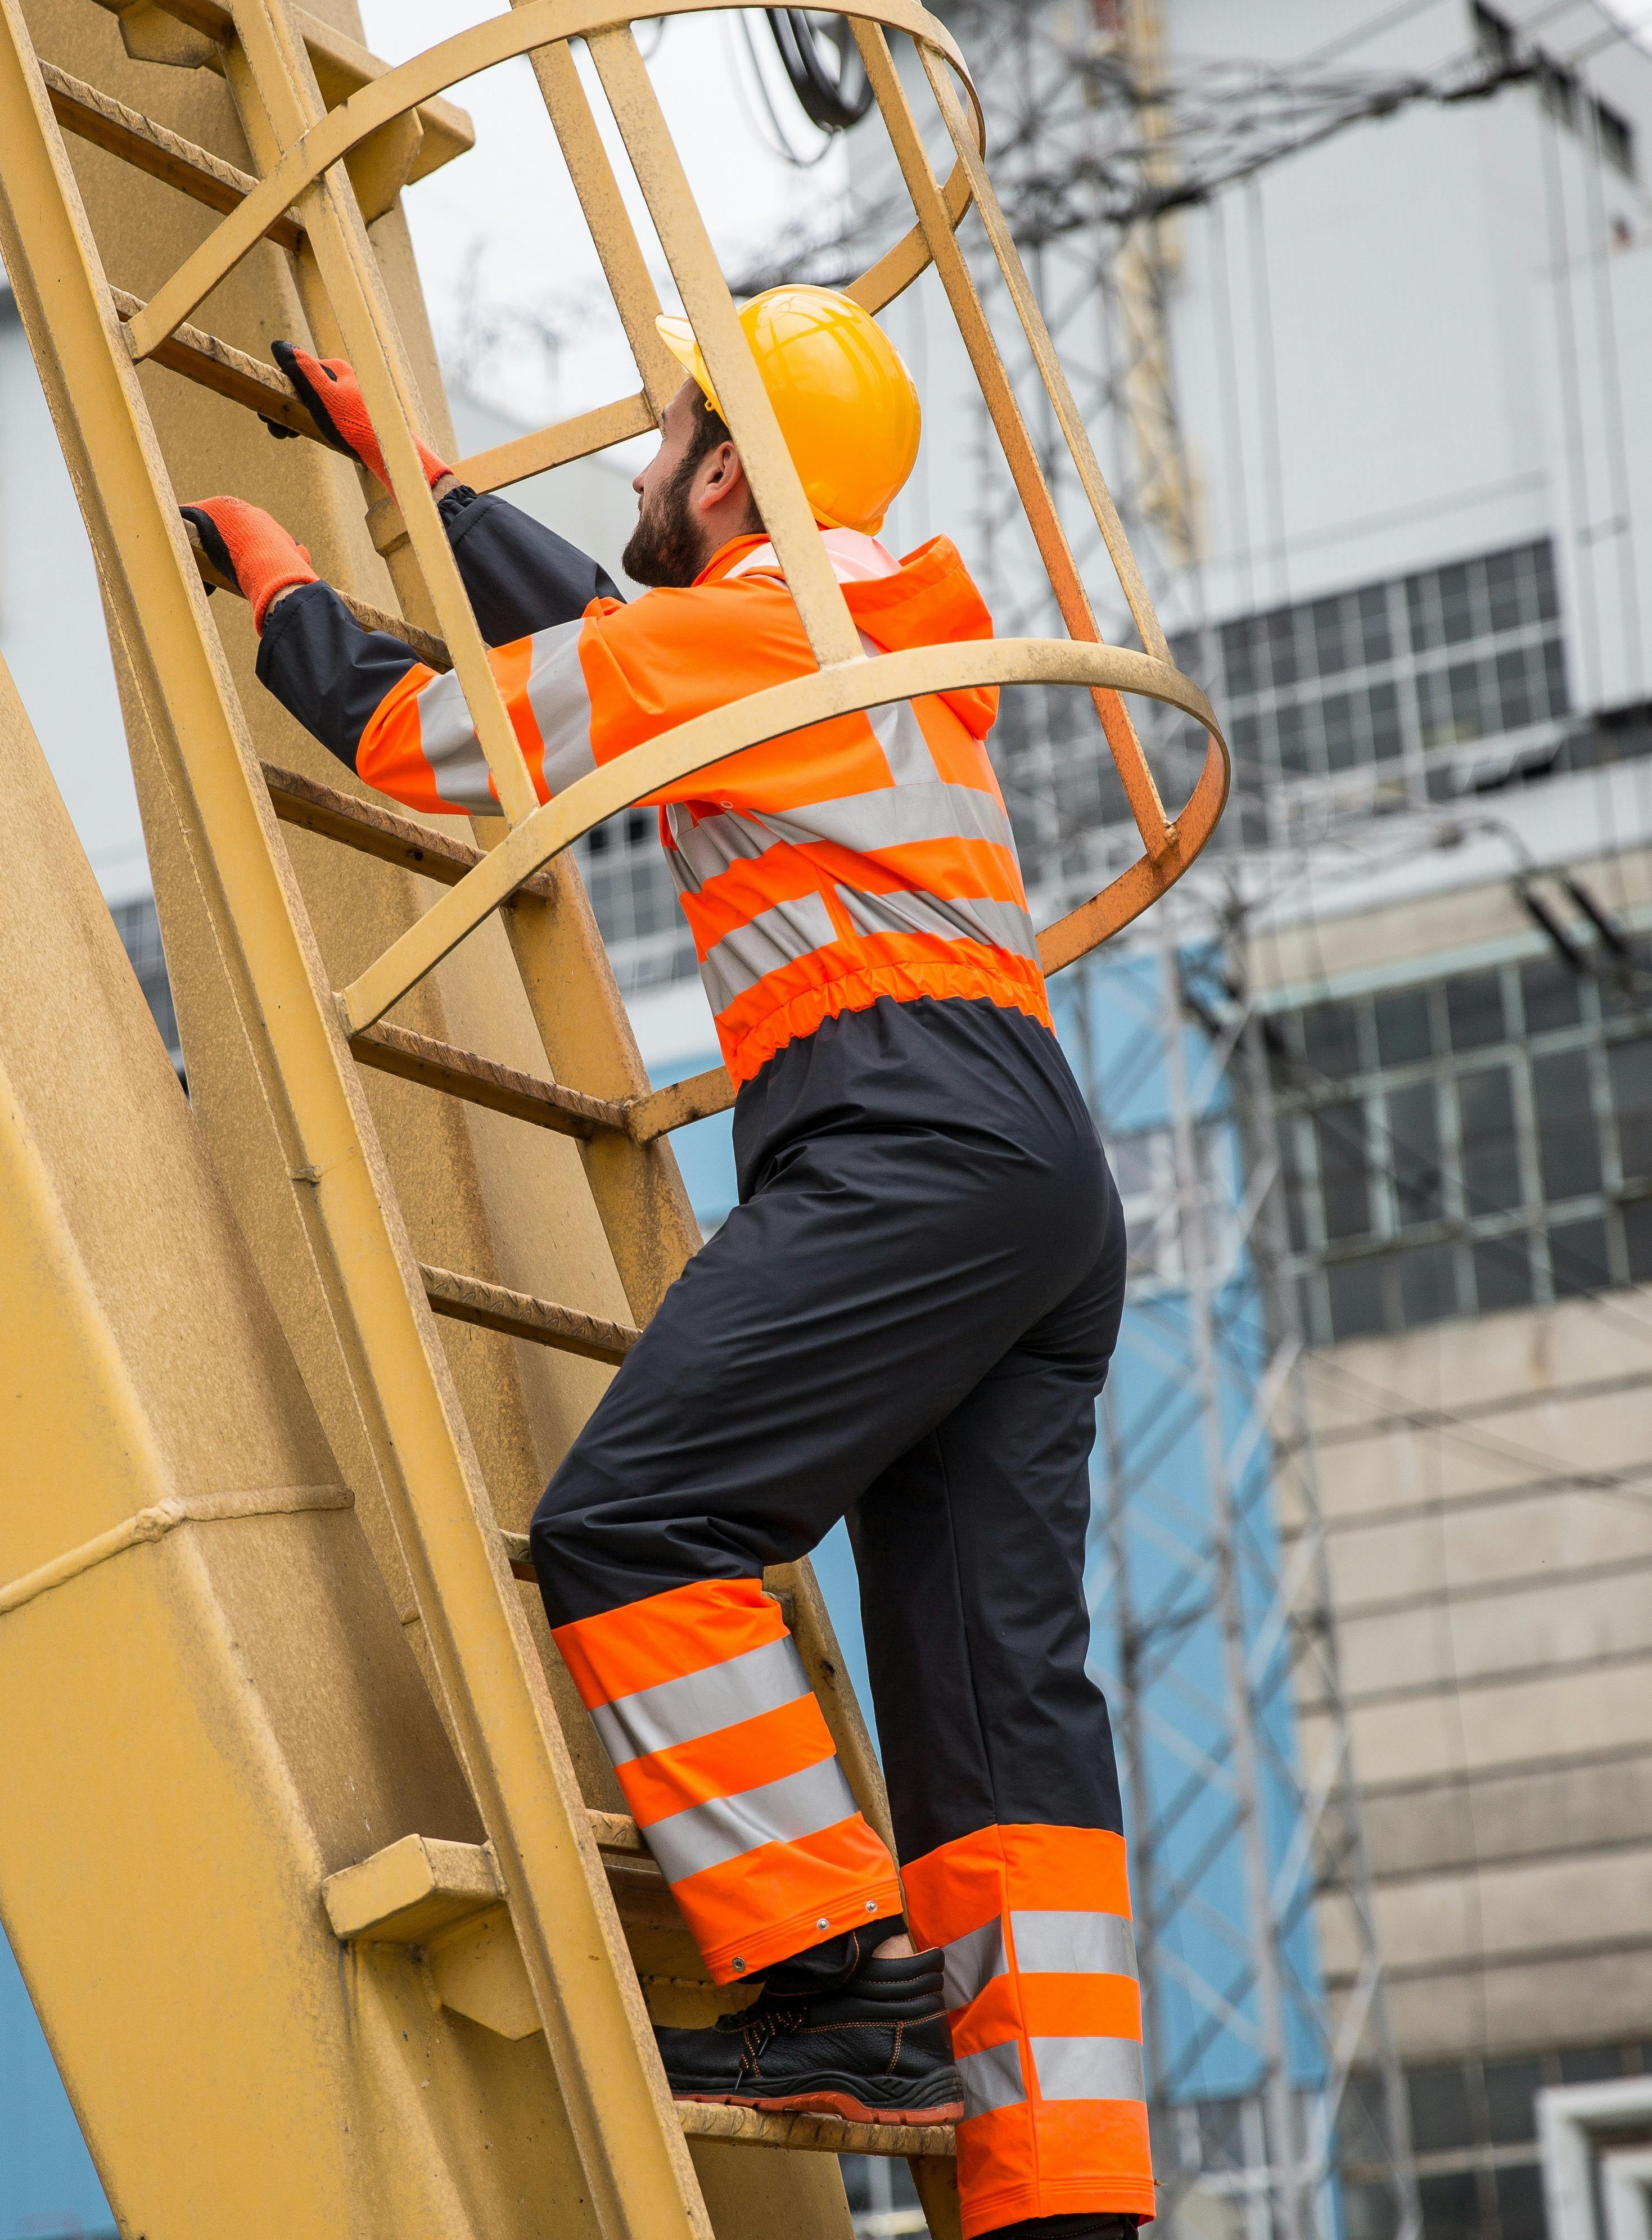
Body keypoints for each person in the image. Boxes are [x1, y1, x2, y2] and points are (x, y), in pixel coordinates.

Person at [183, 287, 1152, 2239]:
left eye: (662, 439)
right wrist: (425, 488)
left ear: (725, 469)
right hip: (1034, 1167)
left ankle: (833, 1983)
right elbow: (628, 657)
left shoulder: (758, 629)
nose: (632, 465)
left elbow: (417, 731)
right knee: (995, 1697)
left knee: (637, 1529)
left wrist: (286, 588)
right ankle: (1065, 2193)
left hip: (901, 1141)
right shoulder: (856, 631)